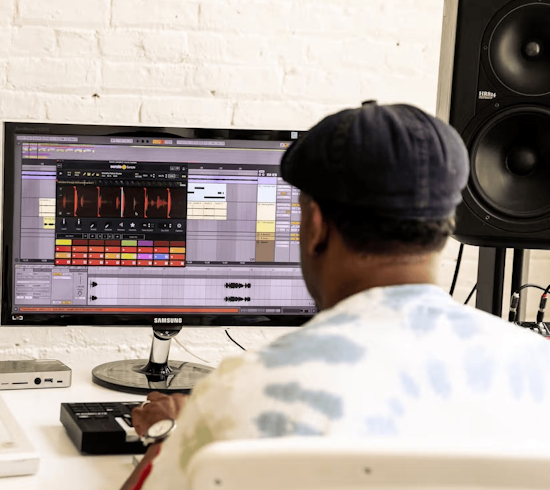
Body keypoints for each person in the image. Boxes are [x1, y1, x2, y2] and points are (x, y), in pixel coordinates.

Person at [122, 101, 550, 490]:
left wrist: (176, 432)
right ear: (444, 228)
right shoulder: (539, 370)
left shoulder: (239, 395)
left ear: (317, 226)